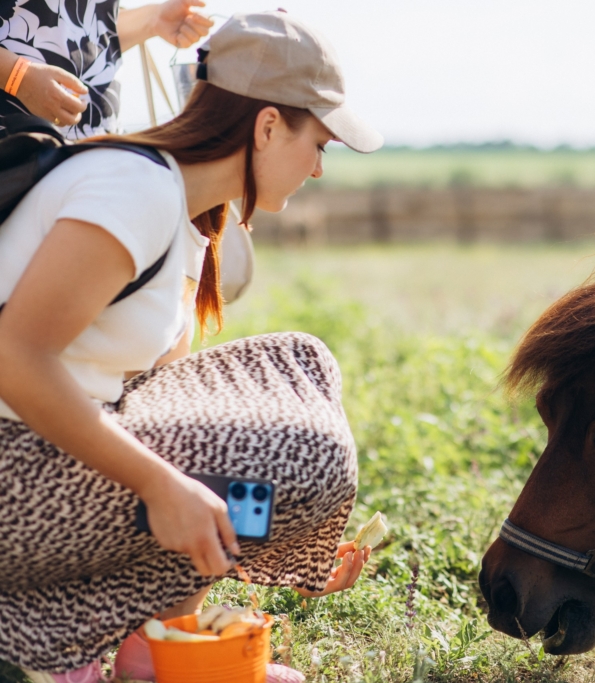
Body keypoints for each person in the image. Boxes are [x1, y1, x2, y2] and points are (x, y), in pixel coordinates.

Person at [0, 10, 384, 683]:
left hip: (40, 462)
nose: (319, 169)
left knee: (298, 367)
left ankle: (161, 645)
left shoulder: (186, 214)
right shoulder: (135, 187)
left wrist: (288, 528)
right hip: (15, 475)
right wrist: (159, 483)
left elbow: (166, 413)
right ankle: (109, 648)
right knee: (305, 445)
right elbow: (12, 354)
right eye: (318, 143)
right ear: (267, 126)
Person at [0, 0, 214, 138]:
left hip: (93, 149)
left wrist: (152, 20)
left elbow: (85, 29)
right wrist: (18, 77)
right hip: (14, 156)